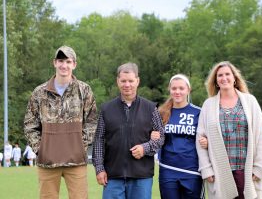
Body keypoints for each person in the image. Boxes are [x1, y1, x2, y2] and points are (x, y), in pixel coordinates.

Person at [24, 45, 98, 199]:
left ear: (74, 64)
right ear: (54, 63)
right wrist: (41, 149)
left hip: (76, 161)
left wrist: (80, 145)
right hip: (48, 162)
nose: (64, 65)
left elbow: (92, 122)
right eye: (60, 61)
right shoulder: (39, 92)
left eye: (68, 61)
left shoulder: (84, 90)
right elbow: (30, 125)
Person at [196, 61, 262, 199]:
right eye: (220, 75)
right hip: (220, 173)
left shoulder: (250, 101)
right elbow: (200, 139)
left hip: (246, 171)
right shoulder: (208, 105)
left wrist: (260, 167)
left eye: (227, 74)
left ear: (234, 78)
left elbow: (261, 136)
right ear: (216, 81)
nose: (224, 78)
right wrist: (206, 169)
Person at [92, 62, 165, 199]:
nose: (127, 85)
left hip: (141, 177)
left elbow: (161, 137)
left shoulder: (150, 108)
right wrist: (99, 168)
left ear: (137, 81)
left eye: (131, 81)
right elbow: (99, 140)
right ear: (117, 81)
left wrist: (145, 148)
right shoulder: (106, 109)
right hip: (113, 176)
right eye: (123, 81)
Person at [151, 74, 205, 199]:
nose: (177, 92)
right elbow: (153, 137)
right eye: (174, 88)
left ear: (188, 90)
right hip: (168, 170)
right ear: (170, 90)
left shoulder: (200, 113)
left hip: (192, 171)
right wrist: (152, 135)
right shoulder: (161, 113)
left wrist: (207, 142)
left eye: (181, 88)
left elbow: (209, 136)